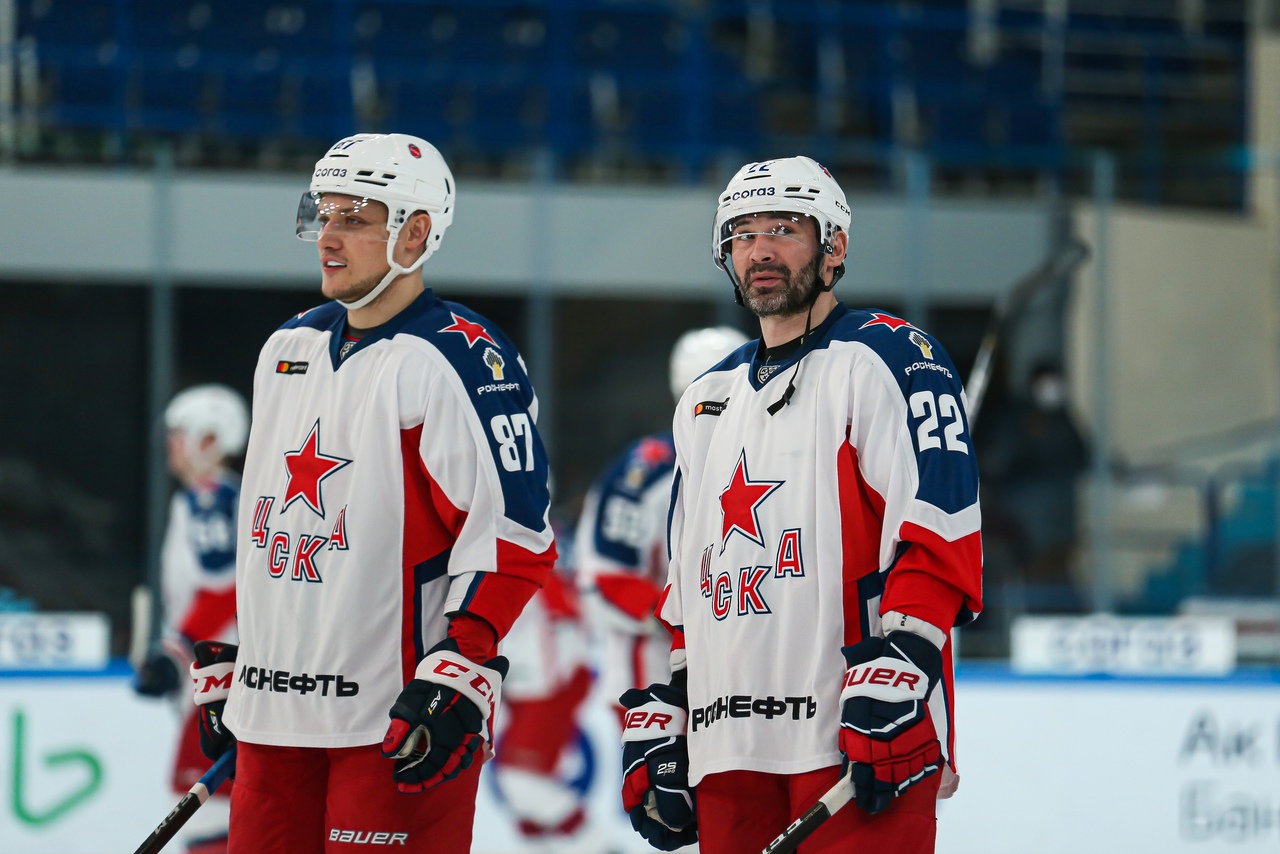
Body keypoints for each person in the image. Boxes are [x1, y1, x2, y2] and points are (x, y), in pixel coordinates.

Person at [188, 133, 557, 854]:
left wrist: (461, 664)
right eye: (322, 214)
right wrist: (251, 653)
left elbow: (512, 534)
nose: (327, 237)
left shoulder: (457, 356)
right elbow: (279, 531)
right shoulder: (288, 347)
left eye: (353, 219)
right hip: (272, 721)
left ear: (415, 234)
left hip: (398, 723)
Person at [619, 157, 984, 854]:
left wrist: (908, 656)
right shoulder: (704, 400)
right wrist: (678, 696)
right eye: (742, 234)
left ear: (834, 246)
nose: (760, 250)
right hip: (729, 743)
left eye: (783, 229)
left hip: (856, 729)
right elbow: (691, 578)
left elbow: (939, 531)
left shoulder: (889, 357)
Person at [575, 326, 749, 723]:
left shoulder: (766, 459)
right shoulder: (644, 474)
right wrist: (690, 622)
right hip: (653, 669)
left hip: (736, 665)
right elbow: (607, 577)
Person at [134, 383, 248, 854]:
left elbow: (224, 590)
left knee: (205, 811)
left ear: (210, 438)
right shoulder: (222, 496)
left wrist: (175, 652)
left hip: (218, 678)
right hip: (221, 674)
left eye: (180, 433)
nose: (171, 443)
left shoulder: (210, 498)